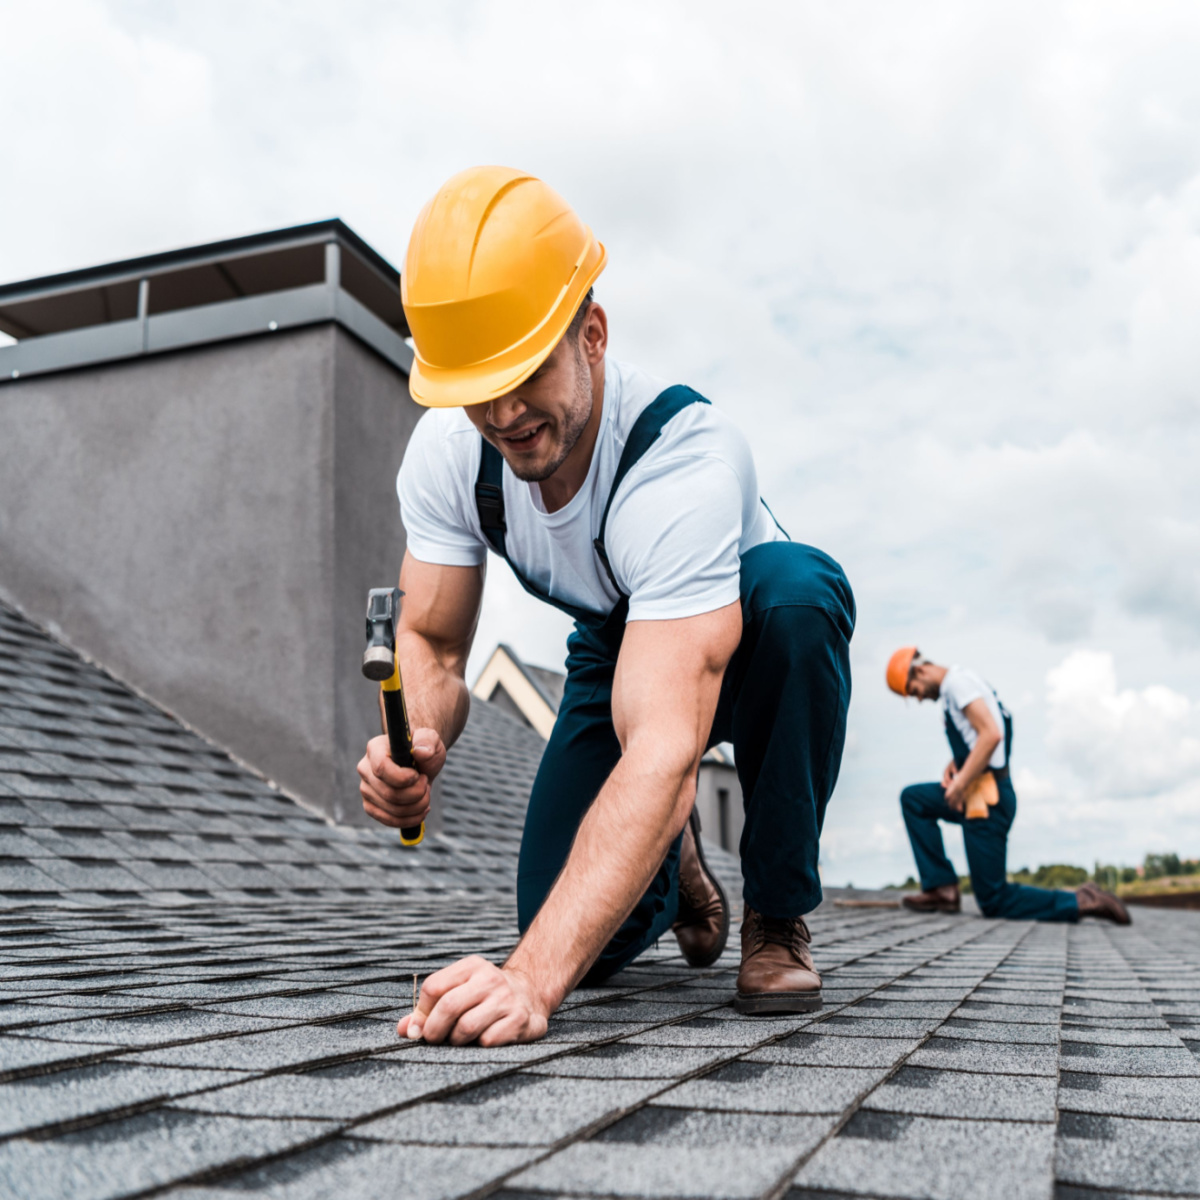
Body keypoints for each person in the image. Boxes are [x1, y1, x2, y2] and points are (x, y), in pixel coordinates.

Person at [357, 166, 855, 1046]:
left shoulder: (680, 462)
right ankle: (682, 871)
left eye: (526, 373)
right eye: (479, 388)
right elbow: (430, 645)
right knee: (569, 912)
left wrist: (529, 981)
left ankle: (777, 915)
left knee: (800, 596)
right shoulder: (447, 457)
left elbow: (665, 748)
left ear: (592, 334)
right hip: (621, 643)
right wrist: (418, 745)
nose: (505, 414)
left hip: (742, 623)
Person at [885, 647, 1129, 924]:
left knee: (994, 899)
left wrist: (960, 783)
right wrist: (958, 763)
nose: (918, 698)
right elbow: (984, 733)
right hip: (977, 793)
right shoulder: (961, 685)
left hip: (987, 802)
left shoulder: (957, 685)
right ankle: (941, 888)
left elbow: (992, 734)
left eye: (913, 690)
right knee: (914, 799)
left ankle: (1083, 901)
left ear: (919, 670)